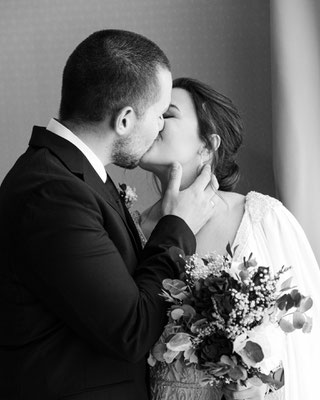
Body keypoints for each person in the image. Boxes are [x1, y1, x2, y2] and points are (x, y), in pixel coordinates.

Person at [0, 31, 220, 400]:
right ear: (125, 120)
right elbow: (131, 331)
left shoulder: (75, 178)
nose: (161, 127)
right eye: (159, 113)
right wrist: (176, 227)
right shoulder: (52, 192)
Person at [139, 77, 320, 400]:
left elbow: (305, 344)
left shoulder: (262, 217)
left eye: (167, 114)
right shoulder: (132, 228)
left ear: (207, 145)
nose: (153, 121)